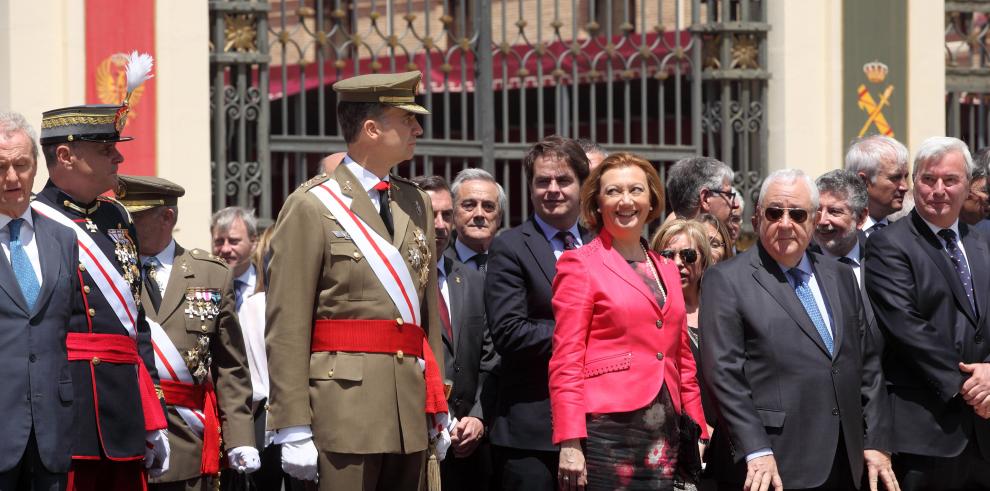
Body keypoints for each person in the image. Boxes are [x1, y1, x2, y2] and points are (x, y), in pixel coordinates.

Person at [266, 71, 450, 490]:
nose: (418, 129)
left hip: (410, 404)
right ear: (371, 128)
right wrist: (292, 424)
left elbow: (426, 315)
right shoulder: (311, 205)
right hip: (342, 406)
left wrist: (439, 397)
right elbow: (287, 323)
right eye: (407, 119)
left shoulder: (415, 200)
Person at [700, 169, 895, 491]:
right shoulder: (727, 280)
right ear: (759, 216)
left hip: (846, 462)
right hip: (772, 464)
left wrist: (876, 440)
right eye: (775, 212)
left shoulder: (841, 277)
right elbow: (723, 374)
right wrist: (756, 448)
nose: (785, 223)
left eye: (798, 214)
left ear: (815, 218)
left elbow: (868, 365)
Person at [35, 95, 171, 489]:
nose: (119, 159)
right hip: (68, 408)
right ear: (65, 155)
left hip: (124, 408)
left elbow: (136, 324)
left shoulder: (118, 217)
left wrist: (154, 409)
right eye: (105, 149)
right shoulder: (34, 220)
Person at [551, 153, 708, 489]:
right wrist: (569, 441)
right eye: (613, 192)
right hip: (609, 432)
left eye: (636, 190)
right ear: (597, 203)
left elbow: (682, 360)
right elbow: (565, 359)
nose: (625, 201)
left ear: (651, 199)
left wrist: (698, 426)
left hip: (666, 433)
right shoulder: (579, 264)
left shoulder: (666, 267)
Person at [117, 175, 258, 490]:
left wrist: (240, 439)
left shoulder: (211, 273)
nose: (125, 225)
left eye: (135, 217)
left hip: (187, 440)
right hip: (125, 435)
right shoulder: (109, 270)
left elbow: (231, 368)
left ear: (167, 216)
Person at [864, 136, 990, 490]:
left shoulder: (983, 242)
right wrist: (971, 386)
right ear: (914, 182)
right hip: (926, 434)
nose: (938, 190)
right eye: (928, 179)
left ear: (968, 186)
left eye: (950, 181)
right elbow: (907, 327)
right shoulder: (889, 244)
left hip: (984, 435)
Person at [485, 135, 590, 490]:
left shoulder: (602, 244)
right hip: (531, 435)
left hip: (599, 428)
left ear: (583, 185)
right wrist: (583, 330)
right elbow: (510, 333)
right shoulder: (510, 247)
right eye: (542, 181)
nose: (553, 189)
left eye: (564, 180)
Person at [0, 112, 79, 490]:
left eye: (21, 165)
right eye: (1, 167)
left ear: (36, 168)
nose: (12, 178)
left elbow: (72, 327)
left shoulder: (63, 239)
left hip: (52, 428)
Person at [412, 175, 499, 491]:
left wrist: (478, 417)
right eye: (429, 214)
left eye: (447, 215)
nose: (440, 225)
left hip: (467, 447)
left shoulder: (473, 281)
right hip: (411, 442)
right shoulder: (391, 285)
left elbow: (490, 358)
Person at [651, 219, 717, 434]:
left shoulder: (722, 310)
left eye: (688, 255)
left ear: (704, 260)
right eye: (668, 255)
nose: (679, 263)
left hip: (727, 438)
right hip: (680, 434)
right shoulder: (652, 317)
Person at [844, 135, 910, 236]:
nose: (905, 187)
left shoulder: (906, 236)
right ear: (862, 181)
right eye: (895, 178)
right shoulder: (834, 236)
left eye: (905, 177)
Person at [812, 170, 869, 285]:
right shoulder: (800, 266)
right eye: (816, 210)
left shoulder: (879, 262)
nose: (822, 221)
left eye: (834, 211)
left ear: (861, 218)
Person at [446, 168, 506, 272]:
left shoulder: (512, 264)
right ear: (453, 212)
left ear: (499, 217)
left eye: (488, 206)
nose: (479, 214)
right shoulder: (438, 266)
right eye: (469, 205)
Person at [210, 207, 257, 310]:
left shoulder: (269, 285)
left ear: (253, 242)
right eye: (219, 241)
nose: (225, 249)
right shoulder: (201, 285)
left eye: (233, 241)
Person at [666, 156, 738, 224]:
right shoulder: (703, 237)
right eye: (728, 195)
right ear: (705, 199)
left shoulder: (669, 236)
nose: (736, 204)